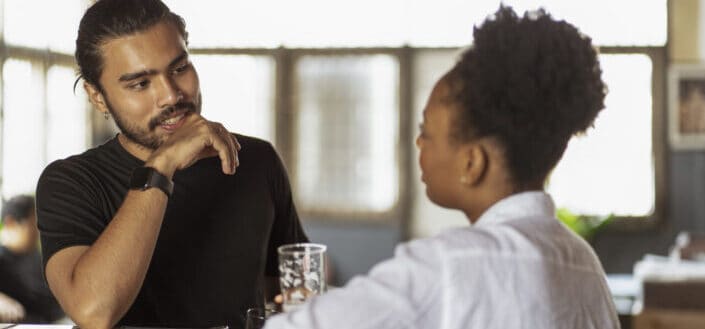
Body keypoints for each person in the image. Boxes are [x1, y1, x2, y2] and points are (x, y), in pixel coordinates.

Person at [265, 6, 619, 329]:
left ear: (472, 163)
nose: (418, 143)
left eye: (426, 133)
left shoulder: (453, 264)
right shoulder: (584, 263)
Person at [35, 1, 308, 328]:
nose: (171, 95)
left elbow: (294, 289)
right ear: (97, 96)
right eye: (140, 84)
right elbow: (94, 312)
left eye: (179, 69)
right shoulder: (71, 182)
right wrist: (162, 166)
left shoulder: (256, 160)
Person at [0, 195, 64, 323]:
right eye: (35, 224)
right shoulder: (2, 261)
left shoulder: (38, 258)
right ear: (10, 223)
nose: (40, 231)